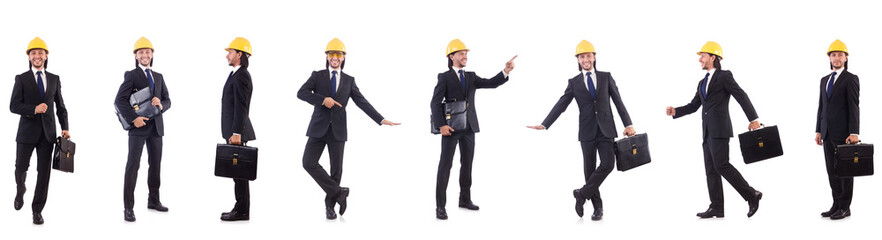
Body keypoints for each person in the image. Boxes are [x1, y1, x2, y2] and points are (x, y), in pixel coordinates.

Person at [527, 40, 635, 220]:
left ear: (594, 57)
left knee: (608, 164)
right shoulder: (574, 82)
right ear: (577, 60)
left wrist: (628, 124)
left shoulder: (606, 77)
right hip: (586, 132)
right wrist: (545, 124)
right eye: (582, 56)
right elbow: (561, 104)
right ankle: (597, 209)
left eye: (589, 56)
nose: (586, 59)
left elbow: (618, 101)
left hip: (606, 128)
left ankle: (581, 194)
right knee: (589, 170)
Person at [297, 38, 400, 220]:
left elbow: (362, 102)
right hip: (318, 128)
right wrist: (323, 99)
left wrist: (381, 119)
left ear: (344, 57)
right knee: (308, 162)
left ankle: (330, 206)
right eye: (331, 54)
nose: (334, 57)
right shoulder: (317, 75)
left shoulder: (349, 81)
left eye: (338, 54)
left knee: (336, 170)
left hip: (337, 130)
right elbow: (301, 93)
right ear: (327, 56)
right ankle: (339, 193)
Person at [665, 41, 763, 218]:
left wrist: (754, 119)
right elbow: (694, 105)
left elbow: (741, 95)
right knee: (711, 169)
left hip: (720, 130)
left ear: (713, 57)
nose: (699, 60)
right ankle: (717, 206)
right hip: (707, 132)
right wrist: (676, 111)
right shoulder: (701, 82)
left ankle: (751, 195)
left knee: (722, 165)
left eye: (702, 56)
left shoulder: (724, 76)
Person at [430, 39, 516, 220]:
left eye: (466, 53)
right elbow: (435, 103)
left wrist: (506, 71)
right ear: (451, 56)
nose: (465, 56)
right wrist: (441, 125)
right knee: (445, 165)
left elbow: (491, 83)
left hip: (469, 126)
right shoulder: (444, 77)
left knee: (467, 165)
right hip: (451, 128)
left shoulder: (471, 76)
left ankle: (464, 199)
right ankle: (440, 206)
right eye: (461, 53)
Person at [11, 37, 70, 225]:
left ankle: (37, 210)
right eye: (33, 53)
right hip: (26, 133)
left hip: (48, 134)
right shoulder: (21, 79)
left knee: (44, 173)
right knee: (20, 168)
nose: (37, 56)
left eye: (40, 53)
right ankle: (21, 190)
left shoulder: (54, 79)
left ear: (46, 56)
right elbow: (13, 105)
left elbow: (60, 106)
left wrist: (65, 127)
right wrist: (33, 109)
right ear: (29, 57)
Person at [114, 37, 171, 222]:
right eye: (141, 52)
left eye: (147, 52)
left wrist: (161, 105)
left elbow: (168, 100)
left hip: (156, 128)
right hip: (138, 128)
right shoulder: (131, 75)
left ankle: (153, 200)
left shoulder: (159, 77)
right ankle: (128, 208)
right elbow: (119, 101)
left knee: (155, 166)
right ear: (136, 56)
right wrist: (134, 118)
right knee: (133, 166)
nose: (144, 55)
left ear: (152, 54)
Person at [815, 39, 859, 220]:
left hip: (844, 134)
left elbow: (854, 106)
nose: (836, 58)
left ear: (846, 57)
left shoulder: (851, 79)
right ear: (830, 58)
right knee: (831, 170)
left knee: (845, 172)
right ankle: (836, 204)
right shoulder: (824, 80)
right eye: (833, 55)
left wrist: (854, 132)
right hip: (826, 132)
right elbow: (821, 107)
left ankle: (845, 207)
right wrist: (818, 130)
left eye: (840, 55)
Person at [219, 37, 256, 221]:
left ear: (239, 54)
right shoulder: (236, 74)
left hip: (237, 132)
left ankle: (242, 210)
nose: (227, 56)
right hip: (234, 131)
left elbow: (242, 106)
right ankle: (240, 208)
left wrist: (236, 133)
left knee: (240, 174)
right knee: (237, 174)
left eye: (230, 52)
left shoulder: (241, 76)